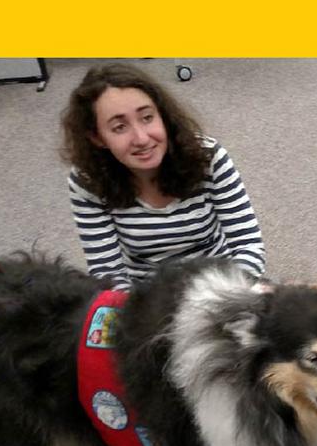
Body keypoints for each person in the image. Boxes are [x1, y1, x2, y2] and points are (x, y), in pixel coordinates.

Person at [61, 63, 265, 287]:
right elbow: (107, 273)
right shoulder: (88, 180)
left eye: (147, 117)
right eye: (120, 127)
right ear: (97, 138)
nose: (141, 138)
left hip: (222, 285)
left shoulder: (208, 157)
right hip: (147, 296)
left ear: (163, 117)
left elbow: (248, 245)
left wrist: (222, 301)